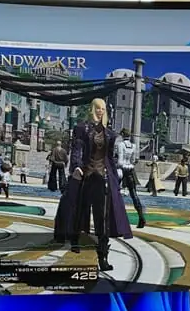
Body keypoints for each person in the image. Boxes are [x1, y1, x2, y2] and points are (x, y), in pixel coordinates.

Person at [53, 98, 133, 271]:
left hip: (103, 177)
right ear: (92, 108)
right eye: (97, 108)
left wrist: (114, 176)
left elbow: (109, 158)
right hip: (85, 174)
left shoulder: (110, 134)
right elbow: (77, 149)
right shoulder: (82, 128)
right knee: (77, 209)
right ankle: (74, 240)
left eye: (103, 108)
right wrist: (76, 166)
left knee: (103, 218)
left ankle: (102, 257)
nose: (100, 111)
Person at [115, 128, 146, 228]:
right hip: (131, 171)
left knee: (114, 193)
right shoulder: (133, 146)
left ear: (122, 135)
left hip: (122, 171)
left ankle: (116, 218)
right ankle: (141, 217)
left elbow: (120, 162)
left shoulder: (120, 145)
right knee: (134, 195)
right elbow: (134, 160)